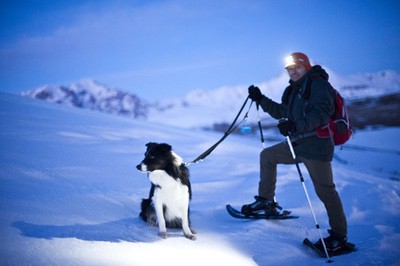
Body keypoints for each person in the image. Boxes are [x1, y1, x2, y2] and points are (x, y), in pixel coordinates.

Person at [244, 52, 349, 252]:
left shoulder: (318, 85)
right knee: (267, 156)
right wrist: (261, 99)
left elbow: (320, 113)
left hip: (317, 146)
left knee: (326, 191)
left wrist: (294, 125)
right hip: (298, 144)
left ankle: (339, 237)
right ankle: (267, 202)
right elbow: (282, 112)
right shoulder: (294, 90)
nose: (293, 71)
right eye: (289, 69)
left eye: (297, 67)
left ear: (306, 67)